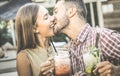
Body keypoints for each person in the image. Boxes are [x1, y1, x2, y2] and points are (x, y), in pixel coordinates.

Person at [53, 0, 120, 76]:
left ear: (71, 11)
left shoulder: (104, 37)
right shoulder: (69, 51)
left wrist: (117, 71)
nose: (52, 18)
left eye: (56, 12)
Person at [15, 3, 56, 76]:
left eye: (49, 14)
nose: (53, 18)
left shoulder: (56, 49)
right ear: (34, 28)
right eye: (46, 17)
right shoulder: (24, 57)